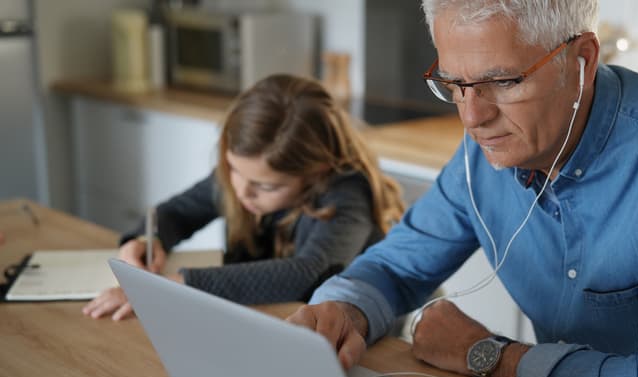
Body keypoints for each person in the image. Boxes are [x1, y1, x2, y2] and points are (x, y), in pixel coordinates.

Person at [286, 1, 638, 377]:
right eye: (455, 84)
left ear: (583, 60)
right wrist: (343, 311)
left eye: (503, 81)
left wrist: (487, 354)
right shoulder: (484, 153)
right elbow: (395, 268)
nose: (472, 118)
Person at [83, 74, 405, 321]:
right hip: (269, 322)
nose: (242, 191)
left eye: (266, 186)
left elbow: (306, 272)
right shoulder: (244, 175)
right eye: (234, 170)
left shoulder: (348, 192)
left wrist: (175, 286)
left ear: (316, 171)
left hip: (365, 341)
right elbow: (176, 212)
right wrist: (145, 240)